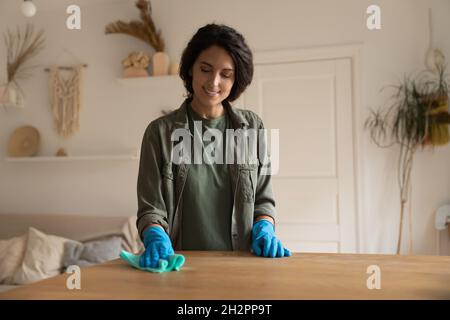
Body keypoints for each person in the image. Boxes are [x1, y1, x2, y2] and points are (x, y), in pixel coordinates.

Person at [137, 23, 291, 268]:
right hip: (180, 266)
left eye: (226, 74)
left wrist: (265, 227)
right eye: (206, 69)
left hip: (242, 265)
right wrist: (155, 235)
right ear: (190, 70)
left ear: (236, 79)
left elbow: (263, 199)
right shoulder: (159, 133)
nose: (214, 82)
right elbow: (151, 209)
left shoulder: (252, 127)